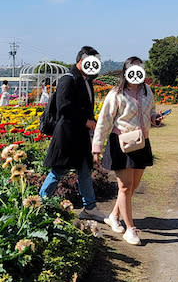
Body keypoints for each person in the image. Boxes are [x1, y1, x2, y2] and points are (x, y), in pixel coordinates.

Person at [92, 56, 162, 245]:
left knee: (133, 186)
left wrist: (155, 118)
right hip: (121, 143)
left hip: (142, 143)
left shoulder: (147, 91)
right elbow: (104, 120)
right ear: (125, 72)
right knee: (124, 187)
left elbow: (152, 111)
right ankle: (130, 229)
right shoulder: (116, 93)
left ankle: (114, 216)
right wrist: (97, 146)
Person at [39, 46, 102, 218]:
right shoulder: (68, 79)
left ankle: (90, 207)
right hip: (67, 134)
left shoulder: (86, 80)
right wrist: (85, 120)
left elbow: (86, 107)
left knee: (84, 170)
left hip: (80, 135)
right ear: (81, 60)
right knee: (58, 170)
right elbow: (63, 107)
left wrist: (92, 122)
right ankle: (40, 203)